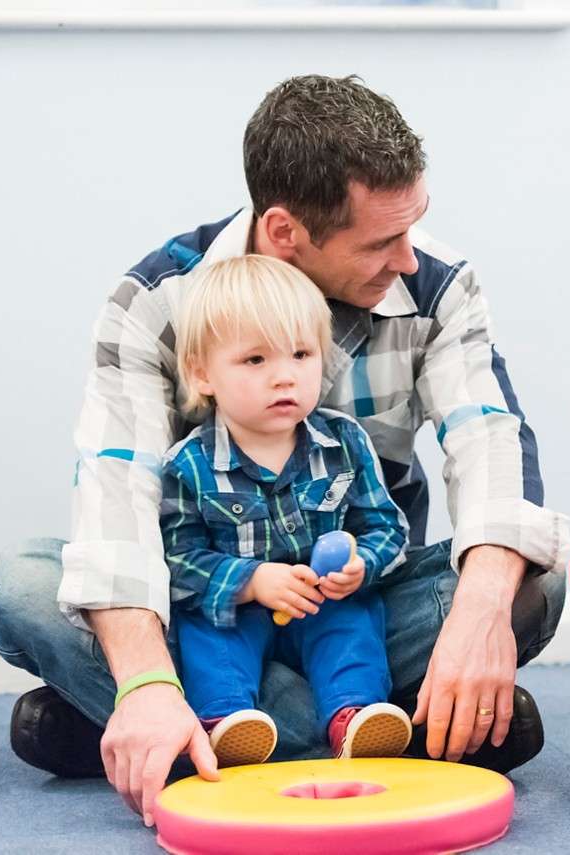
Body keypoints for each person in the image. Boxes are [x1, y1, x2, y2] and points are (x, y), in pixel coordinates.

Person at [0, 74, 568, 826]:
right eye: (381, 241)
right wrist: (144, 679)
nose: (407, 259)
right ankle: (387, 731)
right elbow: (116, 494)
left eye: (413, 227)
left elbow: (490, 434)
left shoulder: (437, 283)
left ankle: (159, 737)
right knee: (19, 584)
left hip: (351, 608)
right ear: (287, 231)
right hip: (210, 611)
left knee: (532, 583)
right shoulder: (158, 302)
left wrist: (484, 608)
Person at [164, 254, 414, 764]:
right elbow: (176, 560)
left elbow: (385, 525)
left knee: (352, 624)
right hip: (237, 607)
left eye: (301, 355)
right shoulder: (188, 465)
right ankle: (226, 721)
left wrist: (361, 564)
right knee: (207, 635)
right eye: (255, 361)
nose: (284, 377)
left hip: (321, 603)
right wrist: (251, 581)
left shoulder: (343, 442)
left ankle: (353, 716)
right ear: (202, 374)